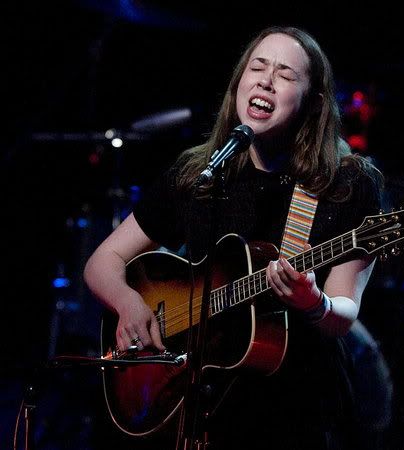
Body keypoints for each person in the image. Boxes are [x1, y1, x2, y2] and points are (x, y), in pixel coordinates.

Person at [83, 26, 384, 449]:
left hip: (295, 407)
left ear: (312, 102)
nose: (265, 79)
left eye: (285, 74)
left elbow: (343, 313)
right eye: (257, 67)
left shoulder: (344, 183)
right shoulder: (199, 174)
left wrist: (313, 303)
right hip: (201, 403)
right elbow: (102, 261)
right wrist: (129, 303)